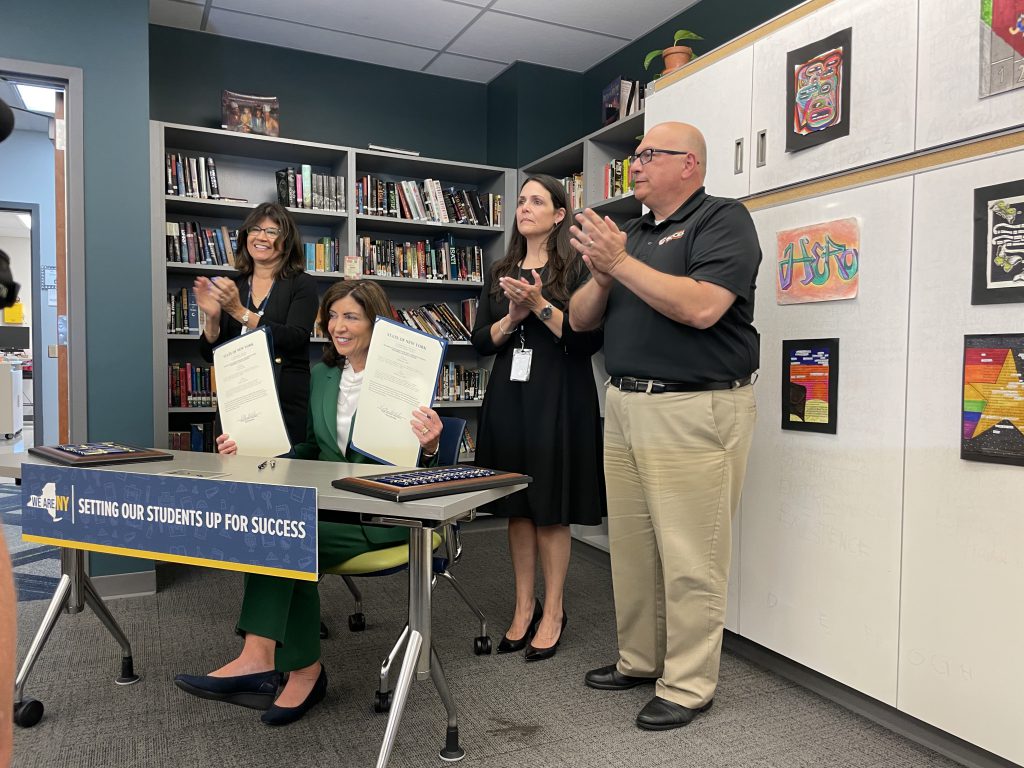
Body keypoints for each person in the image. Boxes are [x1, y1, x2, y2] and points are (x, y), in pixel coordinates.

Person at [175, 279, 445, 726]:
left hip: (386, 516)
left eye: (351, 317)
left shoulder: (403, 380)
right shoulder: (323, 376)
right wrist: (256, 452)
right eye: (333, 316)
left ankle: (274, 664)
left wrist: (432, 446)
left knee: (288, 535)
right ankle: (290, 667)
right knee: (275, 529)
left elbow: (421, 464)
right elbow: (314, 453)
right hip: (331, 510)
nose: (338, 327)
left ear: (376, 324)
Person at [569, 122, 760, 730]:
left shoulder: (722, 219)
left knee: (690, 556)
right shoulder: (626, 236)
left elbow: (703, 308)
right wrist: (603, 274)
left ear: (691, 166)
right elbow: (578, 322)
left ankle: (688, 684)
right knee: (630, 547)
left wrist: (620, 262)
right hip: (624, 404)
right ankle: (640, 659)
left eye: (651, 154)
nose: (636, 164)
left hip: (693, 406)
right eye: (635, 154)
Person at [471, 174, 605, 662]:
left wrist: (539, 305)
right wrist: (511, 317)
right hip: (510, 394)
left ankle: (555, 611)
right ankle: (524, 607)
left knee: (551, 504)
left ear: (559, 214)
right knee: (518, 505)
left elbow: (586, 340)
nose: (524, 207)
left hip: (560, 393)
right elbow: (479, 341)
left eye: (536, 201)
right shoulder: (500, 268)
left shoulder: (578, 269)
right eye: (521, 200)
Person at [196, 202, 318, 445]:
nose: (261, 237)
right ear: (245, 236)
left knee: (285, 476)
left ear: (286, 241)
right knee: (235, 475)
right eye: (255, 229)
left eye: (272, 231)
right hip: (238, 400)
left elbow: (295, 337)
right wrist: (212, 318)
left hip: (283, 400)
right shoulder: (235, 285)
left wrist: (239, 311)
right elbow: (210, 355)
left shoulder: (302, 284)